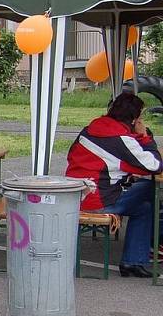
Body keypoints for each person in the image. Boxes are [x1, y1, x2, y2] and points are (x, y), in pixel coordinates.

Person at [66, 93, 163, 278]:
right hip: (97, 201)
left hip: (75, 195)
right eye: (141, 117)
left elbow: (72, 156)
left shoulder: (89, 129)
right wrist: (145, 137)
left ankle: (132, 262)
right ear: (134, 119)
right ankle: (149, 248)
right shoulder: (121, 139)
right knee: (151, 188)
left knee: (143, 208)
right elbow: (155, 166)